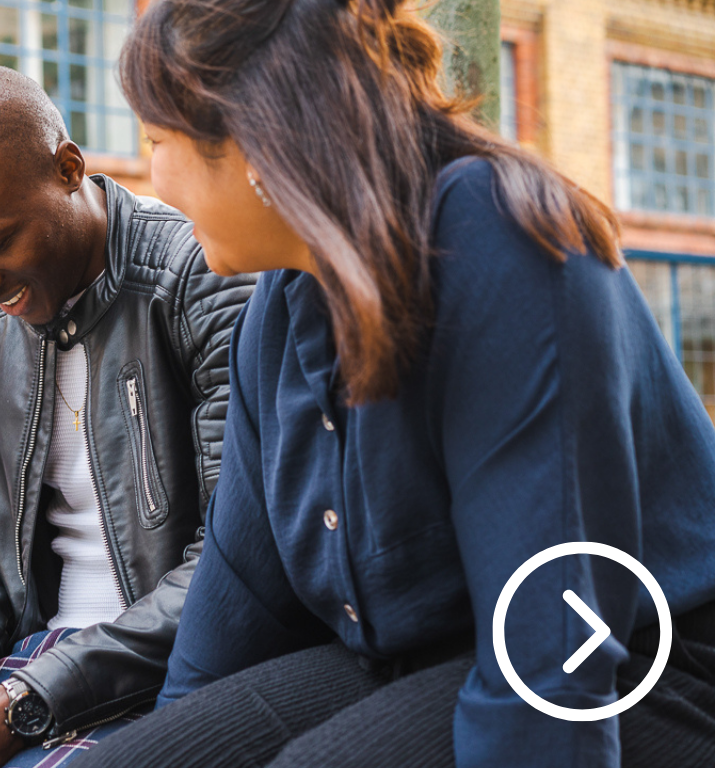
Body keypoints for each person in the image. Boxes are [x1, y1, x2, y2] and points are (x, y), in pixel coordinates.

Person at [72, 0, 715, 766]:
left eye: (155, 140)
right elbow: (234, 607)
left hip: (633, 667)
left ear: (254, 138)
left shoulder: (498, 240)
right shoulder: (276, 313)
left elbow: (554, 649)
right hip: (413, 658)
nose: (153, 179)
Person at [0, 65, 255, 768]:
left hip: (158, 673)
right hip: (28, 665)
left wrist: (29, 701)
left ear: (68, 169)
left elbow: (232, 560)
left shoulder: (201, 275)